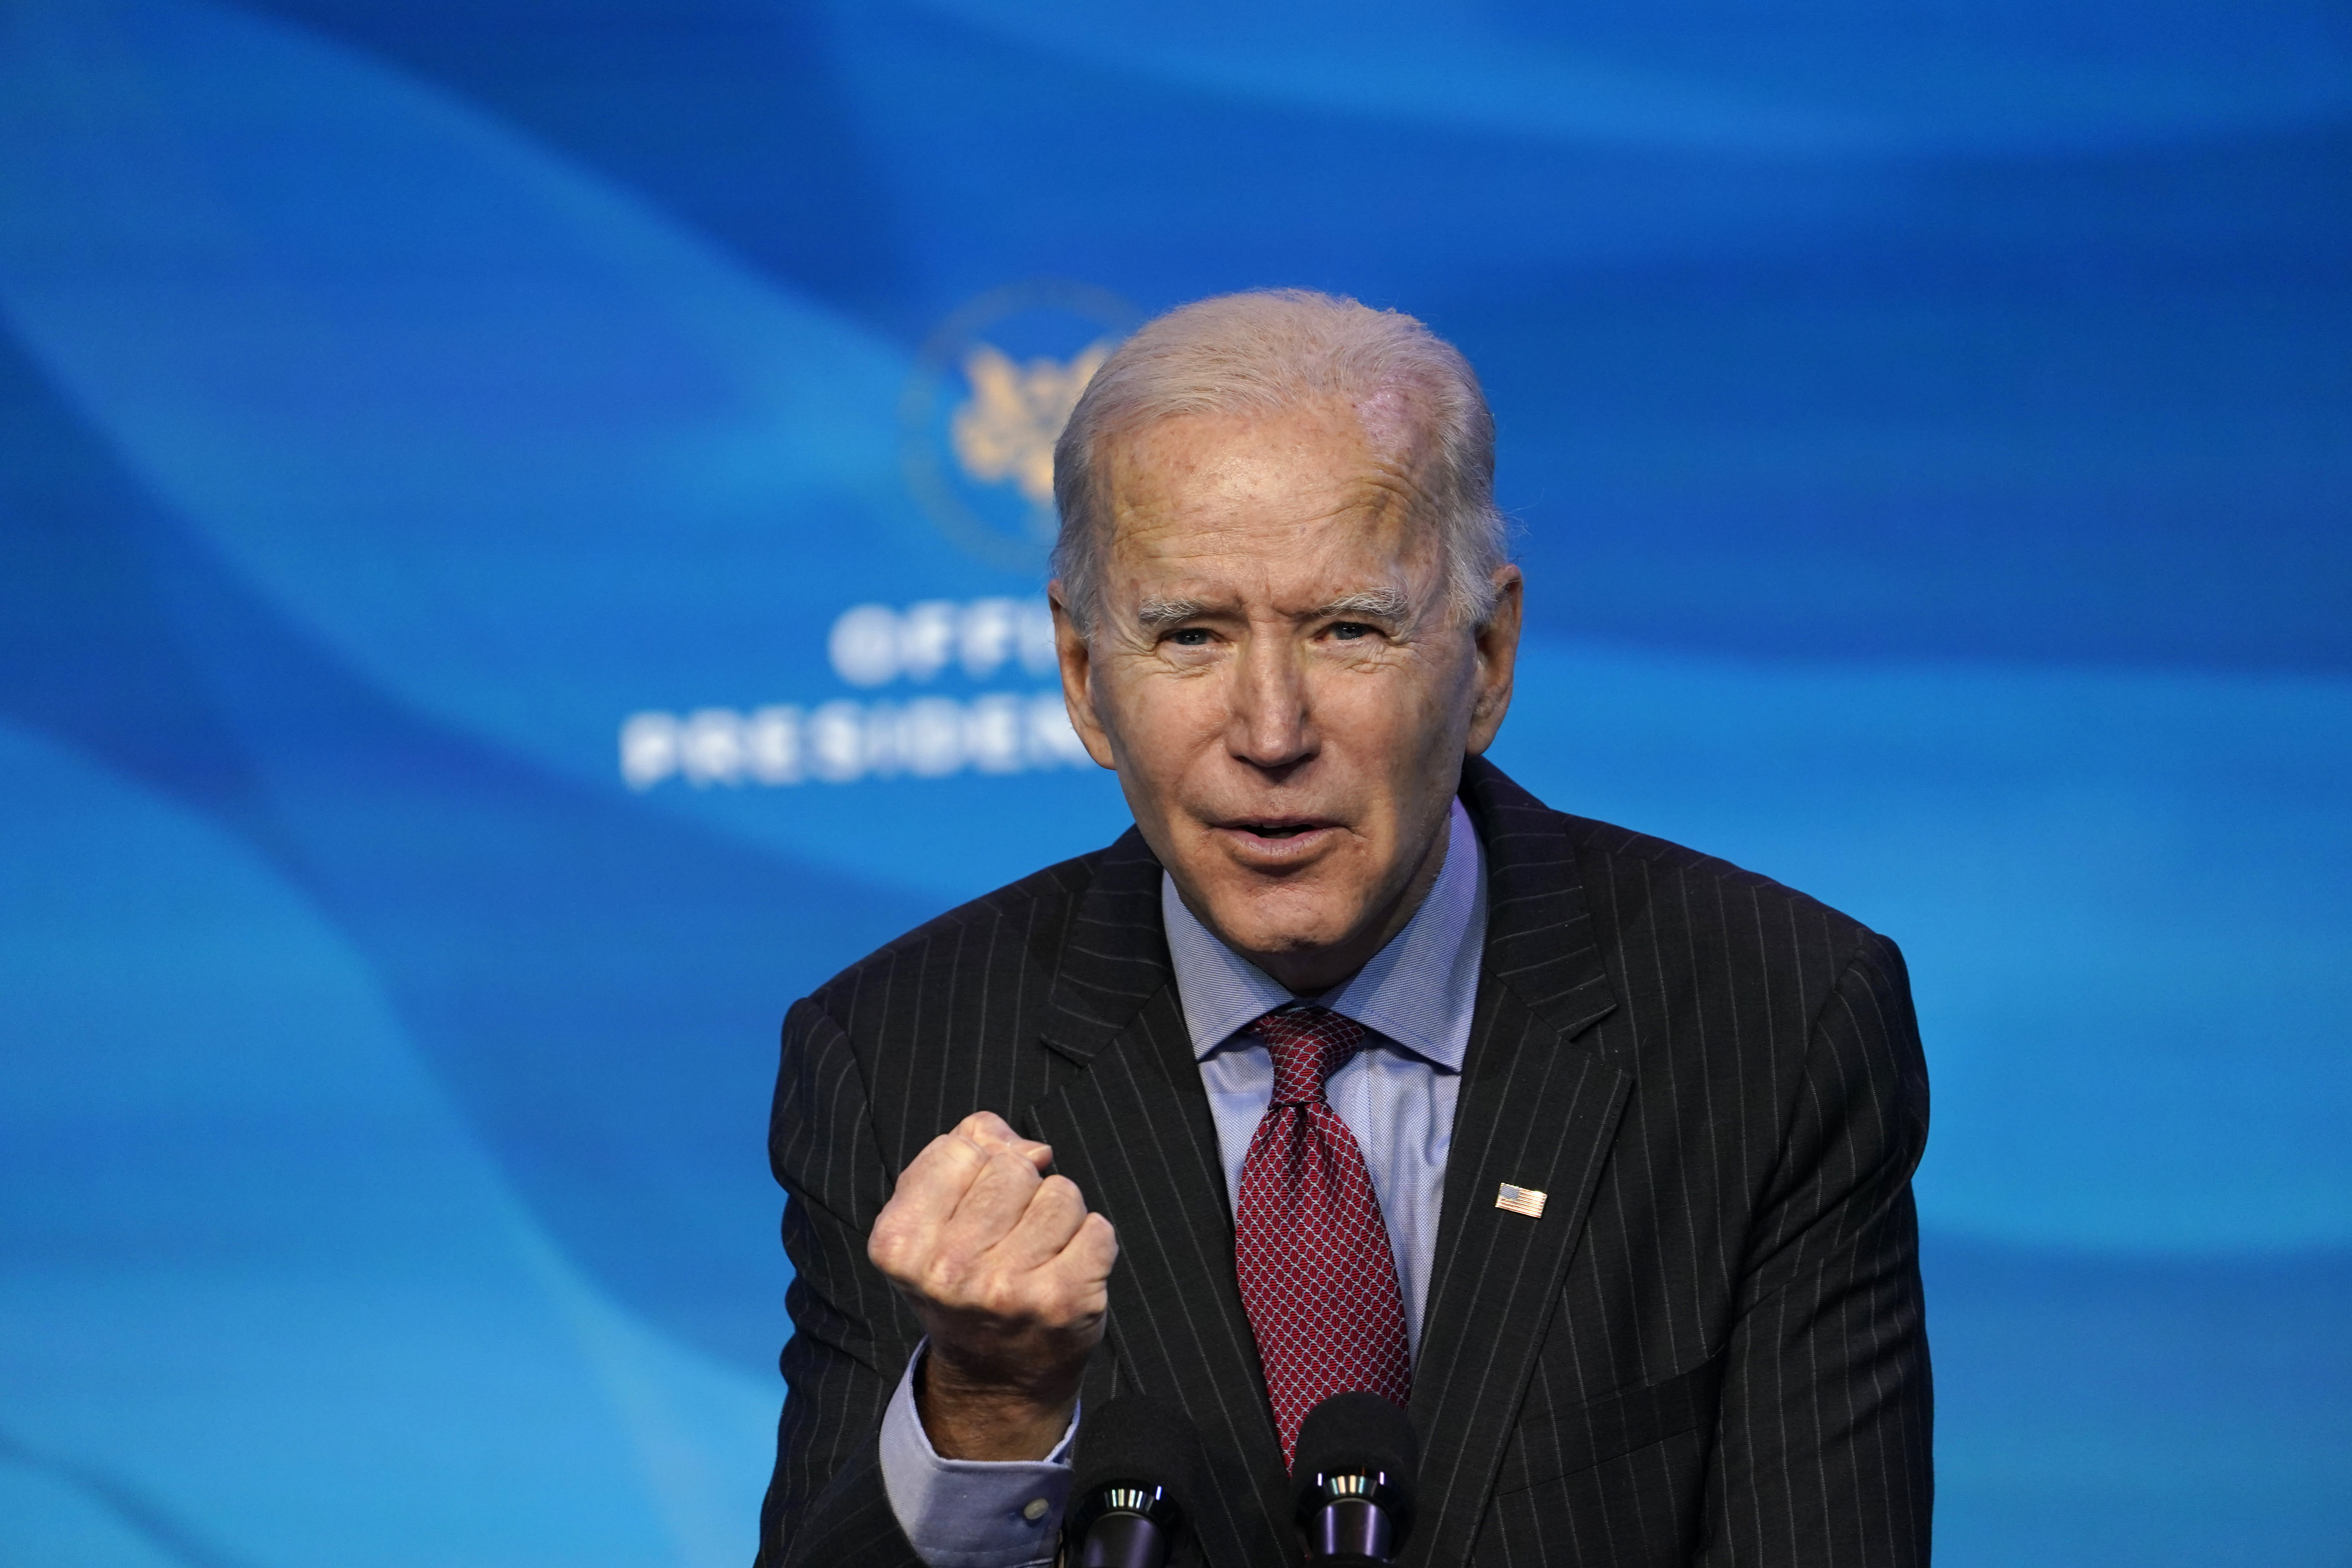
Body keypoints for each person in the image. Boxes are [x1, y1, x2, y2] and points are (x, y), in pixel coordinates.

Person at [755, 290, 1932, 1568]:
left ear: (1487, 659)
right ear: (1087, 682)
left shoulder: (1770, 1020)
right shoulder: (899, 1063)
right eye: (1190, 635)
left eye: (1348, 631)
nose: (1270, 733)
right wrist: (983, 1418)